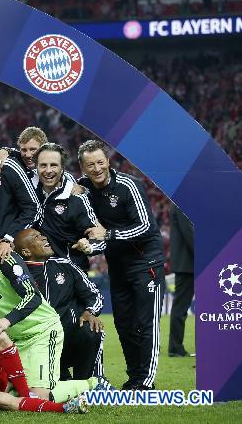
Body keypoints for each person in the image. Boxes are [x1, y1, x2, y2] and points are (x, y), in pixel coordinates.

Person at [0, 212, 98, 402]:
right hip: (15, 339)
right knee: (8, 394)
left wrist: (5, 320)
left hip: (42, 330)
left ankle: (92, 384)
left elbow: (32, 297)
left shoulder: (5, 259)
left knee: (37, 397)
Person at [77, 140, 166, 390]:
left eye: (100, 162)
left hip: (145, 261)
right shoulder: (82, 188)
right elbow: (94, 233)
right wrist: (92, 245)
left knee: (146, 322)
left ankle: (145, 382)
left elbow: (145, 226)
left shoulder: (129, 185)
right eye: (90, 164)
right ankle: (134, 377)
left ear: (108, 161)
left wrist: (109, 235)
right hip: (117, 263)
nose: (96, 168)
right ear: (82, 167)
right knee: (124, 323)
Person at [14, 228, 105, 380]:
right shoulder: (16, 274)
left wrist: (90, 312)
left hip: (69, 340)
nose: (44, 238)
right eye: (36, 237)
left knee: (92, 328)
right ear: (26, 251)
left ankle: (89, 381)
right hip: (38, 345)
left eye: (42, 235)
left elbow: (94, 294)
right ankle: (61, 378)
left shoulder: (65, 265)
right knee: (54, 393)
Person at [33, 143, 105, 271]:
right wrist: (5, 151)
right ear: (36, 168)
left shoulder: (77, 198)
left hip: (70, 272)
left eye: (54, 165)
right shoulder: (27, 191)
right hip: (37, 273)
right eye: (43, 165)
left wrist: (89, 247)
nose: (48, 170)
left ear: (62, 169)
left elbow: (99, 237)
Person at [168, 204, 194, 358]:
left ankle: (175, 347)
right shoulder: (182, 205)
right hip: (187, 263)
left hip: (187, 263)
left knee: (180, 306)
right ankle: (175, 347)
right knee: (181, 307)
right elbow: (189, 233)